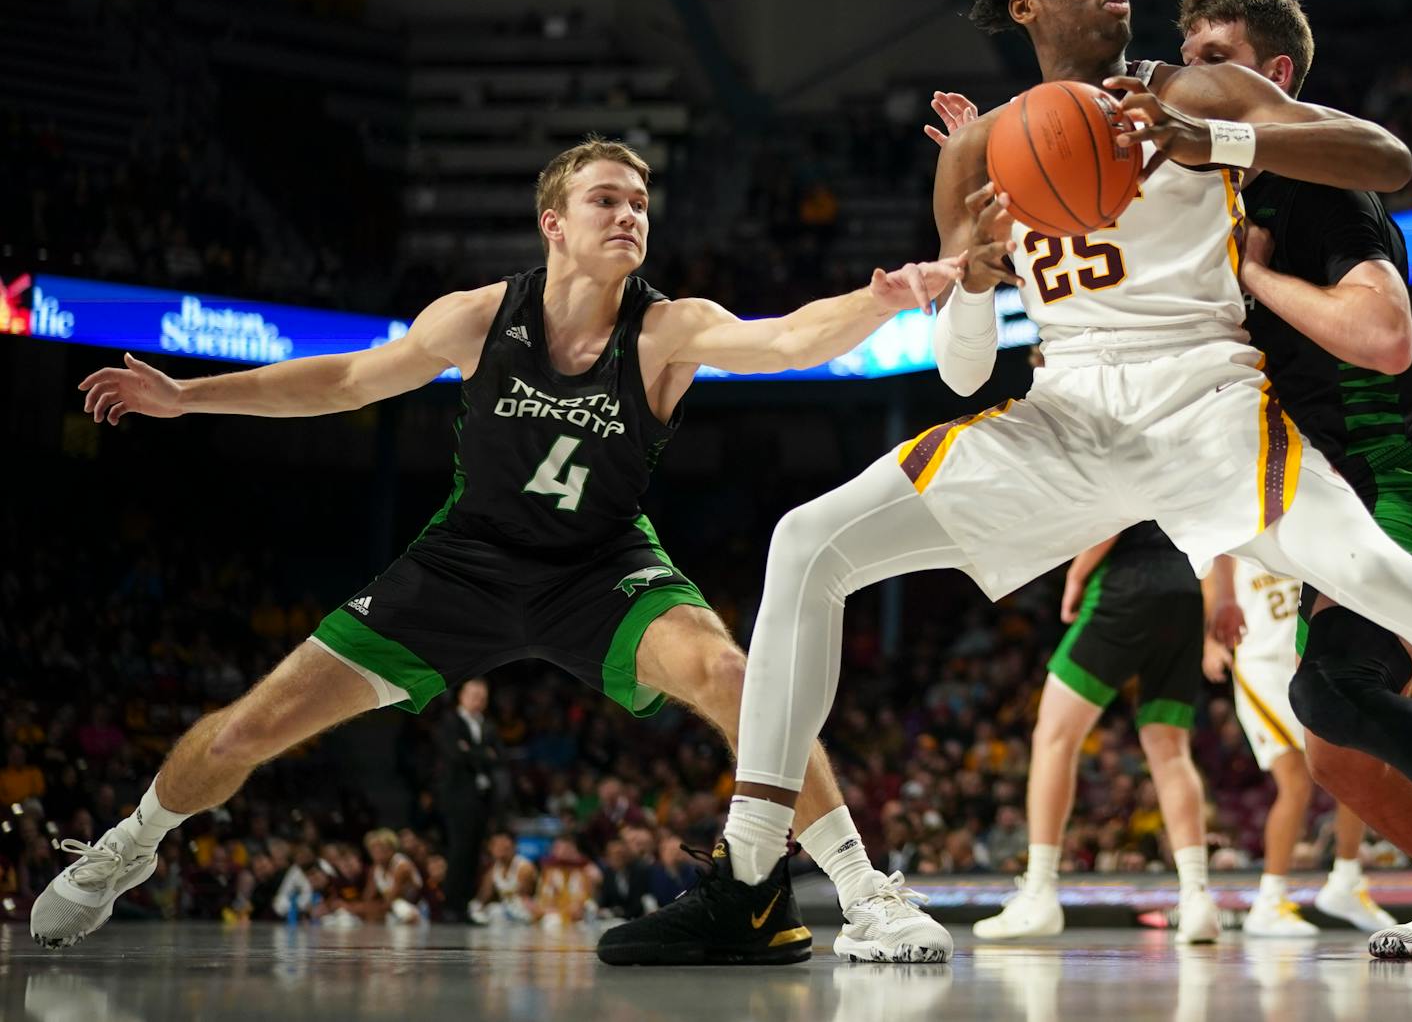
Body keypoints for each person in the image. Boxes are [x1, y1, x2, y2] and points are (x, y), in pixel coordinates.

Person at [644, 0, 1412, 971]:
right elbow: (964, 368)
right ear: (1026, 6)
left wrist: (1213, 135)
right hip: (1067, 410)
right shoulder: (974, 149)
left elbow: (1387, 159)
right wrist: (976, 277)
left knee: (1373, 572)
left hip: (1206, 399)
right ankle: (753, 868)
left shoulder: (1190, 85)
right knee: (807, 540)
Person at [35, 139, 963, 965]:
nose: (630, 214)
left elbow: (787, 340)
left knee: (732, 671)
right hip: (463, 565)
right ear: (553, 222)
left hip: (601, 566)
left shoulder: (666, 328)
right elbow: (348, 382)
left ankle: (862, 890)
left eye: (640, 202)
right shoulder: (480, 317)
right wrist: (192, 398)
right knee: (246, 731)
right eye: (607, 199)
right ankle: (132, 840)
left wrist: (878, 302)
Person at [973, 522, 1223, 943]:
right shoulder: (1196, 453)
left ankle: (1039, 891)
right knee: (1170, 750)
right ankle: (1197, 897)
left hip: (1127, 582)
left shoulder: (1132, 451)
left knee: (1054, 736)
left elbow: (1116, 513)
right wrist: (1221, 603)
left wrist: (1076, 575)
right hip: (1186, 589)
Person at [1202, 557, 1383, 938]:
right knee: (1295, 782)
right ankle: (1268, 902)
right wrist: (1209, 640)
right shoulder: (1235, 528)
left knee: (1356, 764)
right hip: (1262, 665)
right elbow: (1211, 580)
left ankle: (1347, 880)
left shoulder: (1303, 516)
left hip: (1310, 659)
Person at [435, 678, 506, 922]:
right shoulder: (450, 721)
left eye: (483, 697)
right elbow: (454, 754)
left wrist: (471, 752)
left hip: (482, 797)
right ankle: (451, 906)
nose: (479, 701)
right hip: (458, 796)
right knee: (459, 850)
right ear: (462, 696)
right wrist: (481, 753)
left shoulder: (488, 725)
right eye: (474, 695)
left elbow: (498, 756)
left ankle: (463, 905)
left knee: (475, 851)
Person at [363, 828, 425, 925]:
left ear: (392, 849)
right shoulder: (376, 869)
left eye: (381, 848)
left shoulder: (402, 866)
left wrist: (357, 908)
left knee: (398, 906)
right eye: (373, 849)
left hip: (416, 909)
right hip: (391, 910)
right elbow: (367, 898)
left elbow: (391, 900)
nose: (377, 852)